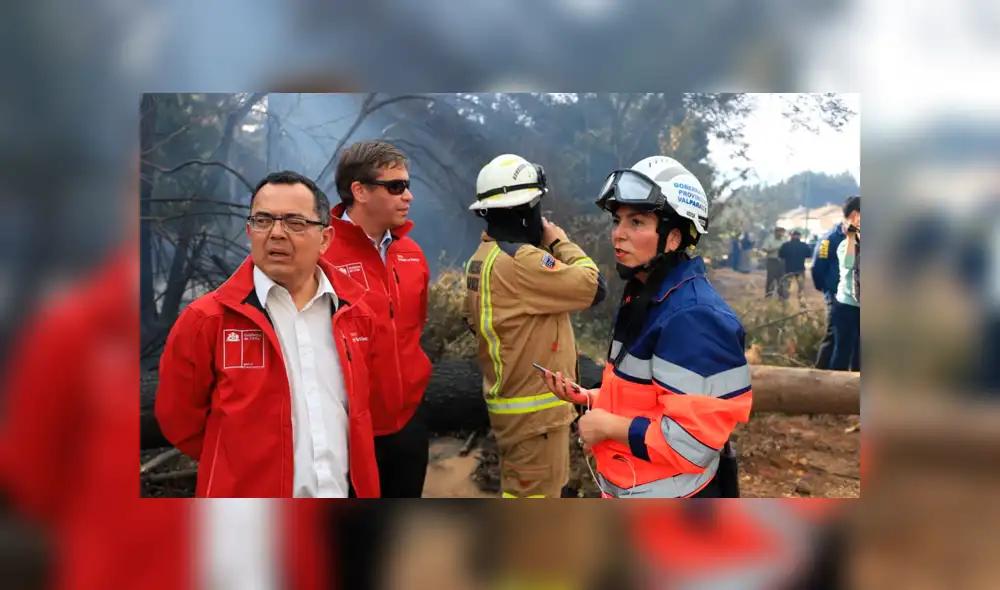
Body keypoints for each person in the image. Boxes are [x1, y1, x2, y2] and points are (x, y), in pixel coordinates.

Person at [155, 171, 381, 498]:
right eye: (263, 220)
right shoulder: (206, 320)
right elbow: (179, 422)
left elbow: (365, 410)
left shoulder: (357, 315)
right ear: (249, 230)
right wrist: (239, 465)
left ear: (326, 238)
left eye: (294, 222)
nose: (276, 233)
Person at [542, 156, 752, 498]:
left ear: (673, 237)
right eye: (616, 220)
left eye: (637, 222)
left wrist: (607, 425)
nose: (618, 234)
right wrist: (595, 398)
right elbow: (655, 397)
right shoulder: (645, 298)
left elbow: (691, 443)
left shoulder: (695, 319)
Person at [462, 154, 607, 499]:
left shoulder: (481, 259)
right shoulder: (522, 262)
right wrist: (558, 241)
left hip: (511, 408)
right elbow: (594, 286)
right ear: (527, 209)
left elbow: (473, 323)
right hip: (536, 415)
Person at [323, 140, 432, 498]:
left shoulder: (412, 254)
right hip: (347, 432)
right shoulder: (319, 255)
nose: (408, 196)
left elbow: (414, 330)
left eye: (407, 186)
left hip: (409, 424)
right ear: (360, 191)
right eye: (396, 186)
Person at [811, 196, 859, 369]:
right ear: (855, 215)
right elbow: (818, 268)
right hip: (838, 297)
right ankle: (821, 378)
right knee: (835, 339)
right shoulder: (831, 239)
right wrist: (829, 292)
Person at [831, 205, 861, 371]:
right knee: (843, 351)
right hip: (847, 305)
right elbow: (848, 263)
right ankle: (833, 390)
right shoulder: (845, 245)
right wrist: (851, 237)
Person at [778, 230, 813, 305]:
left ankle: (785, 302)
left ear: (791, 236)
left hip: (788, 269)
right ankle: (801, 301)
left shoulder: (786, 245)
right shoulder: (804, 245)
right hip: (799, 269)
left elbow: (781, 255)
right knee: (801, 286)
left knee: (786, 286)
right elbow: (809, 255)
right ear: (799, 236)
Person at [762, 226, 787, 298]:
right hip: (772, 261)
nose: (781, 234)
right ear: (776, 232)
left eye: (782, 233)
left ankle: (781, 296)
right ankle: (768, 295)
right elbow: (765, 249)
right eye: (780, 232)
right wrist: (776, 249)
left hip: (781, 261)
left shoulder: (784, 239)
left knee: (781, 279)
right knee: (770, 278)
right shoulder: (769, 239)